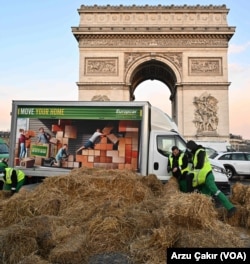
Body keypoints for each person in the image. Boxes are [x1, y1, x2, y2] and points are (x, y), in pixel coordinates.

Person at [186, 140, 237, 218]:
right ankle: (207, 214)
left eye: (189, 148)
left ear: (191, 147)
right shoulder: (195, 153)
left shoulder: (201, 151)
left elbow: (199, 165)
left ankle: (231, 208)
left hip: (207, 176)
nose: (188, 150)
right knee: (204, 197)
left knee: (216, 191)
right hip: (202, 178)